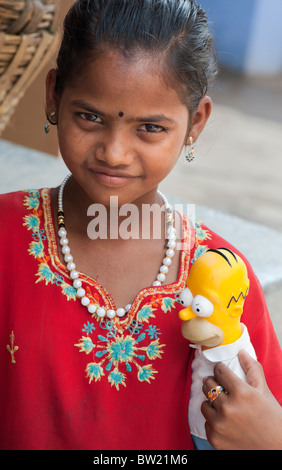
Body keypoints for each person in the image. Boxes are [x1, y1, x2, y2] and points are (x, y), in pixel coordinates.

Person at [0, 0, 282, 451]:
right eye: (90, 116)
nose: (113, 152)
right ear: (53, 95)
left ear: (195, 123)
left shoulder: (223, 274)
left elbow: (259, 414)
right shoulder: (4, 237)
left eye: (150, 127)